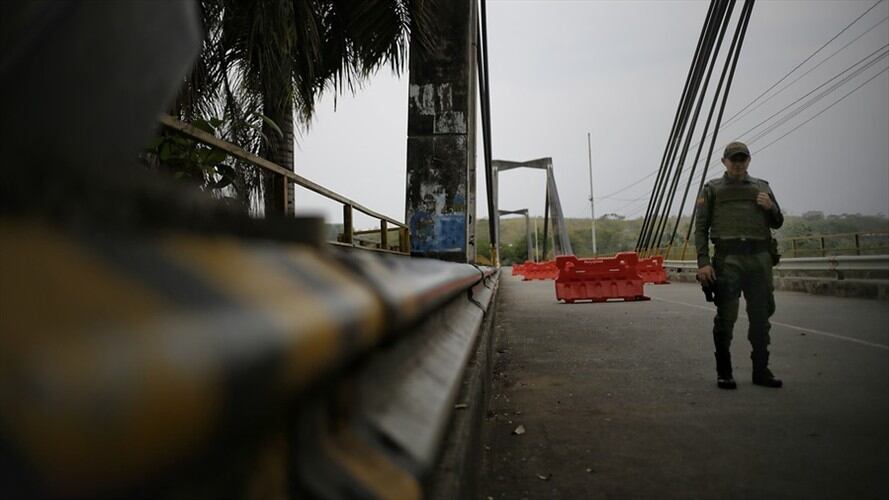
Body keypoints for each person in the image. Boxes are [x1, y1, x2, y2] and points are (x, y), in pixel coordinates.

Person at [695, 141, 784, 390]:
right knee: (726, 318)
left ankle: (761, 370)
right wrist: (703, 263)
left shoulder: (762, 187)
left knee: (761, 317)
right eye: (733, 159)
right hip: (728, 260)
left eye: (742, 159)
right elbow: (700, 228)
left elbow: (777, 222)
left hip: (759, 258)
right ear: (724, 161)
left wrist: (771, 207)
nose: (738, 163)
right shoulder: (712, 189)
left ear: (749, 161)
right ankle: (724, 372)